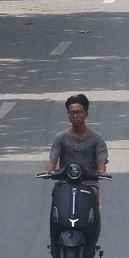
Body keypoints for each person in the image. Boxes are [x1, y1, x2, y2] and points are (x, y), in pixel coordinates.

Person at [45, 94, 108, 231]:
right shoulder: (60, 138)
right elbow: (52, 162)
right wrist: (49, 171)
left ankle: (93, 229)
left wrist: (101, 172)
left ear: (86, 114)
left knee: (95, 194)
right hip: (64, 183)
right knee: (56, 198)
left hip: (88, 183)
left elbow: (101, 163)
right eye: (71, 112)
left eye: (78, 112)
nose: (75, 116)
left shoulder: (97, 138)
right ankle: (54, 236)